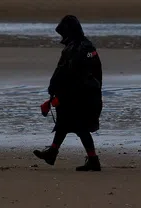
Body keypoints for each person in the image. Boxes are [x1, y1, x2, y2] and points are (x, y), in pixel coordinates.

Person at [33, 14, 103, 171]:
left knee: (79, 126)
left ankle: (92, 159)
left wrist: (56, 96)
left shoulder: (74, 50)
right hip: (89, 95)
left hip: (77, 96)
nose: (62, 37)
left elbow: (65, 74)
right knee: (65, 123)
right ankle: (53, 153)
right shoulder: (88, 46)